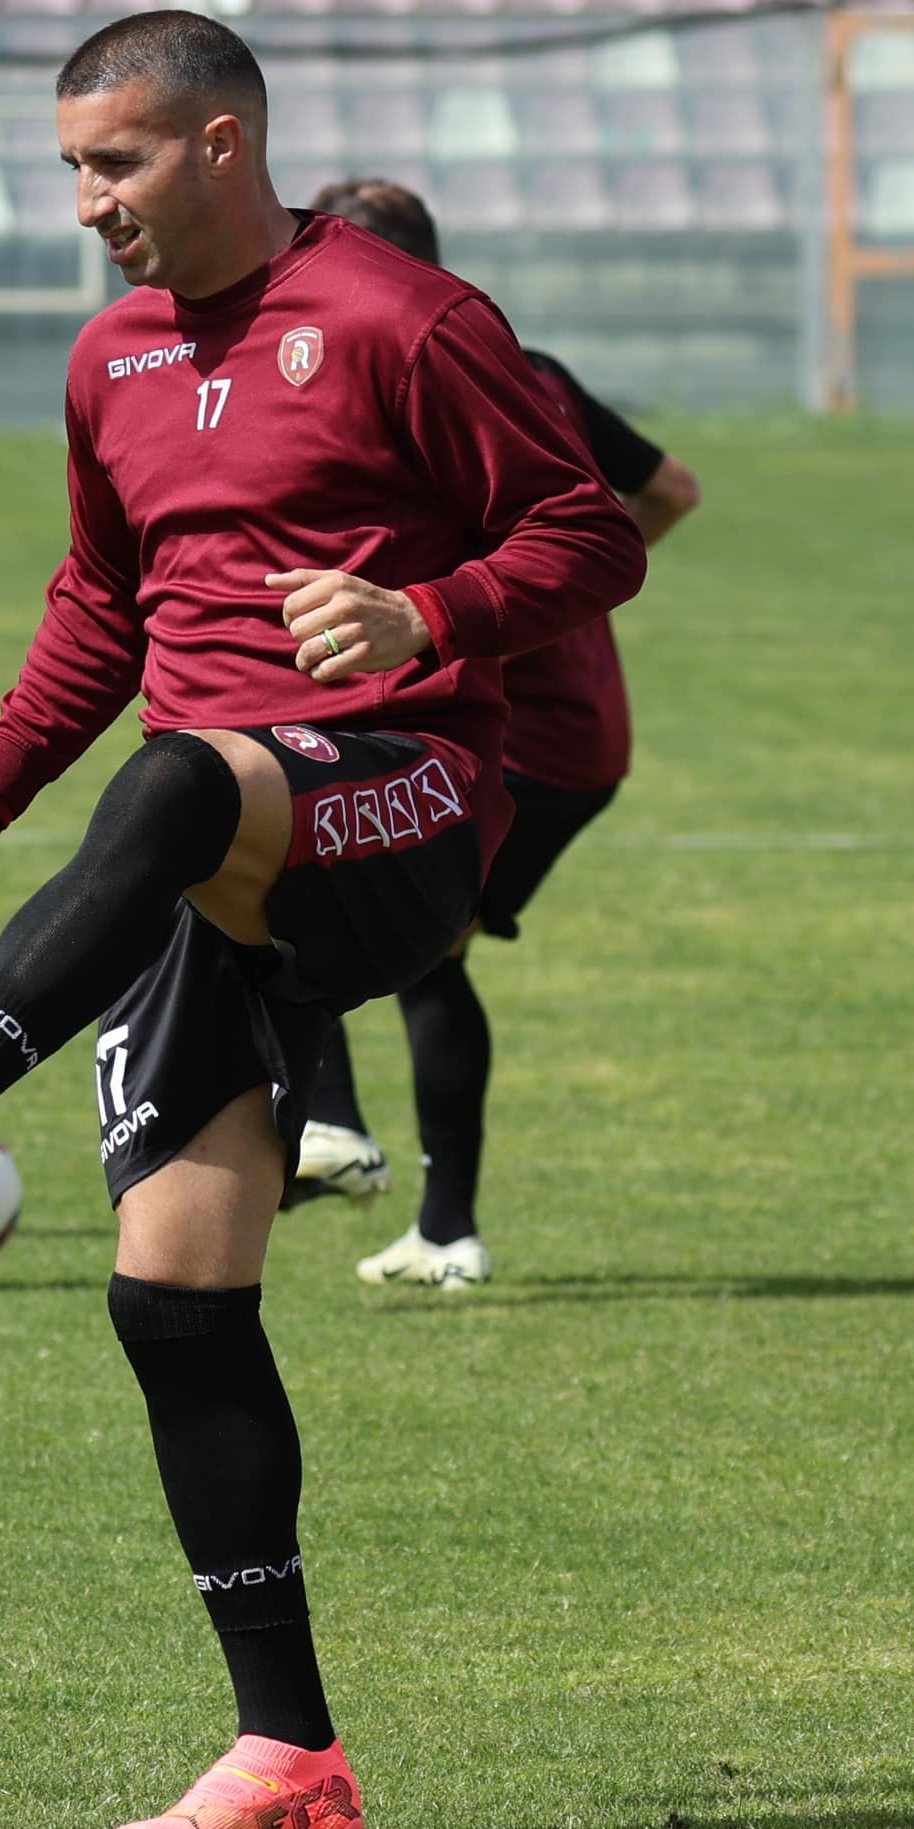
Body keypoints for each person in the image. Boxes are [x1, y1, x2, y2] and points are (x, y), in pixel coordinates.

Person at [0, 16, 645, 1829]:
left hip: (396, 805)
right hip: (206, 852)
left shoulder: (407, 316)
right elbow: (103, 596)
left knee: (174, 789)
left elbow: (593, 527)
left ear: (223, 143)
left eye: (118, 164)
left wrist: (428, 611)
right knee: (171, 1302)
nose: (88, 204)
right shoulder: (107, 359)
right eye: (73, 169)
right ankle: (287, 1759)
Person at [292, 178, 700, 1291]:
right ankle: (437, 1223)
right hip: (579, 732)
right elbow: (669, 490)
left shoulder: (394, 376)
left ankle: (339, 1135)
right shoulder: (537, 373)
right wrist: (577, 580)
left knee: (299, 871)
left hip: (514, 735)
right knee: (416, 947)